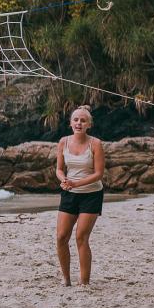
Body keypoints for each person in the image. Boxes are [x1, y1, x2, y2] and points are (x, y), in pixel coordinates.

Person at [55, 105, 105, 286]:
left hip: (91, 194)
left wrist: (77, 183)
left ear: (89, 125)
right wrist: (63, 180)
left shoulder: (96, 144)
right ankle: (66, 279)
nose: (79, 123)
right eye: (76, 120)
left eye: (83, 120)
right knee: (61, 237)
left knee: (81, 237)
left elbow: (99, 174)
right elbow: (59, 169)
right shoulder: (63, 142)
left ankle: (84, 283)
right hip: (69, 193)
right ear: (70, 123)